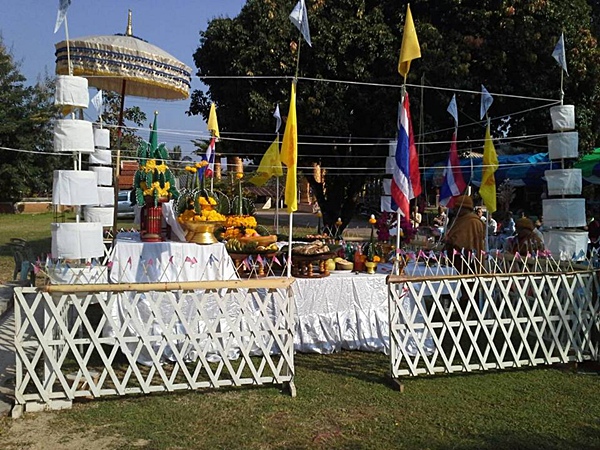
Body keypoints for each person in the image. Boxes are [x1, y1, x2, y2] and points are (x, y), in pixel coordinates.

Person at [444, 195, 485, 273]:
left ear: (464, 208)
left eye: (457, 207)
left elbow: (463, 242)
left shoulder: (473, 221)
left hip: (467, 262)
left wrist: (450, 240)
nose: (454, 209)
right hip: (455, 261)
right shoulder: (459, 219)